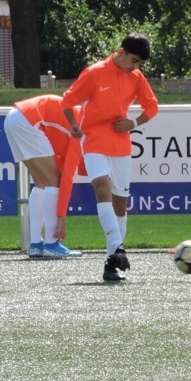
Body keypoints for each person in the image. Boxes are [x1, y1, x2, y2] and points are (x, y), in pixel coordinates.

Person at [62, 33, 159, 282]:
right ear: (121, 51)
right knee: (102, 188)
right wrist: (73, 124)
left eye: (140, 63)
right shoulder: (94, 73)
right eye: (134, 60)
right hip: (93, 141)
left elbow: (152, 106)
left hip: (121, 145)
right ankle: (118, 248)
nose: (136, 67)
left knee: (120, 204)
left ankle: (111, 263)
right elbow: (68, 100)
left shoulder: (136, 77)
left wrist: (133, 123)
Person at [3, 94, 85, 259]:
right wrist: (61, 219)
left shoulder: (80, 119)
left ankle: (36, 245)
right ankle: (51, 243)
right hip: (28, 119)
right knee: (54, 180)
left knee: (41, 182)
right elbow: (66, 179)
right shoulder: (83, 134)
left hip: (13, 117)